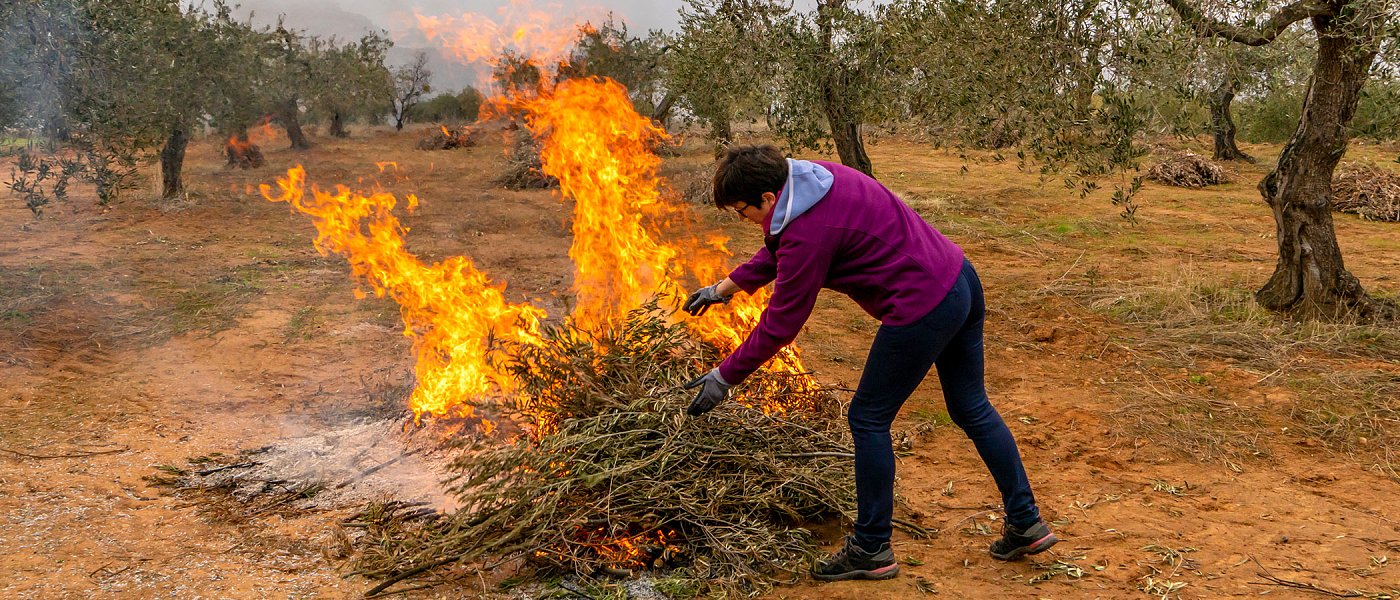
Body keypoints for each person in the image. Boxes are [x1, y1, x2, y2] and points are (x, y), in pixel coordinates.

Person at [682, 145, 1057, 582]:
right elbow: (779, 244)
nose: (743, 219)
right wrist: (726, 287)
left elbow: (782, 322)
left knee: (868, 417)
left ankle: (872, 547)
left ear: (767, 198)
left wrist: (725, 376)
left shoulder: (809, 231)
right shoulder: (816, 178)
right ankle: (1025, 521)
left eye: (742, 211)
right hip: (959, 278)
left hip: (923, 306)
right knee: (971, 407)